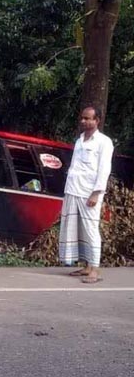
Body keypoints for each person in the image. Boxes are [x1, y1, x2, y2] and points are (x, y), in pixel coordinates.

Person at [59, 106, 114, 284]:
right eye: (82, 118)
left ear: (97, 120)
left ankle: (95, 269)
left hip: (89, 193)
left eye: (88, 118)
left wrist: (96, 193)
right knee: (77, 228)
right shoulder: (80, 140)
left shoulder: (104, 142)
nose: (84, 121)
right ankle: (87, 266)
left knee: (91, 230)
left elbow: (104, 170)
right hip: (73, 190)